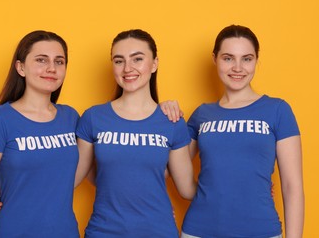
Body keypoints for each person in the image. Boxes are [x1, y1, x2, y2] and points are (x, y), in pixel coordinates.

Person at [162, 25, 304, 238]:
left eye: (246, 59)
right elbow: (163, 169)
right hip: (198, 231)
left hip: (260, 230)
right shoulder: (201, 114)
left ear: (256, 60)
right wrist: (160, 118)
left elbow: (292, 187)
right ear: (215, 59)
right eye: (228, 58)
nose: (238, 67)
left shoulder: (278, 110)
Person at [74, 29, 197, 237]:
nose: (127, 68)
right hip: (103, 232)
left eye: (137, 59)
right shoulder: (93, 118)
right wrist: (14, 194)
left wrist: (245, 189)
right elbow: (76, 178)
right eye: (119, 61)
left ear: (154, 63)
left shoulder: (172, 121)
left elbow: (187, 189)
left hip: (158, 231)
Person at [0, 30, 80, 238]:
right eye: (41, 60)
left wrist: (161, 110)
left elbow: (100, 165)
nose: (51, 68)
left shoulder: (71, 118)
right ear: (20, 67)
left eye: (59, 61)